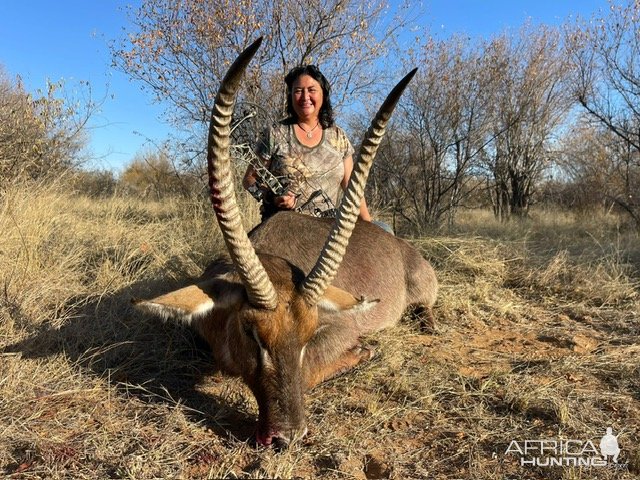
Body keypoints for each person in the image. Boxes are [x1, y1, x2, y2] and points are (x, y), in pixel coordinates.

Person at [242, 64, 372, 223]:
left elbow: (353, 189)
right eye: (298, 91)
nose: (305, 97)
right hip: (283, 228)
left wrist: (368, 224)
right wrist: (271, 198)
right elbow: (249, 181)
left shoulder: (338, 137)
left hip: (328, 229)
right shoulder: (275, 133)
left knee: (384, 230)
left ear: (323, 94)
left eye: (312, 90)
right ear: (290, 96)